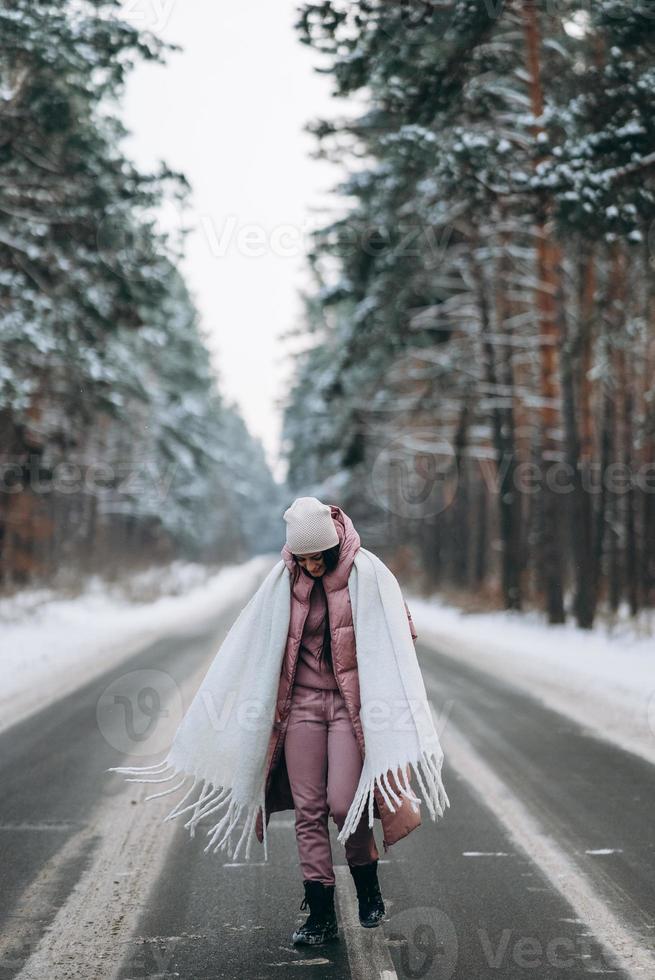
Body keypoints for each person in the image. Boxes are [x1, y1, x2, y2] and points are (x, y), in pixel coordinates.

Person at [266, 496, 421, 946]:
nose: (312, 565)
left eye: (319, 556)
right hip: (301, 708)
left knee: (344, 804)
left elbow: (401, 628)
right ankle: (320, 914)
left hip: (352, 709)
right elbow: (257, 640)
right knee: (308, 811)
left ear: (333, 546)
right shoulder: (284, 579)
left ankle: (368, 889)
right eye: (304, 557)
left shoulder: (366, 572)